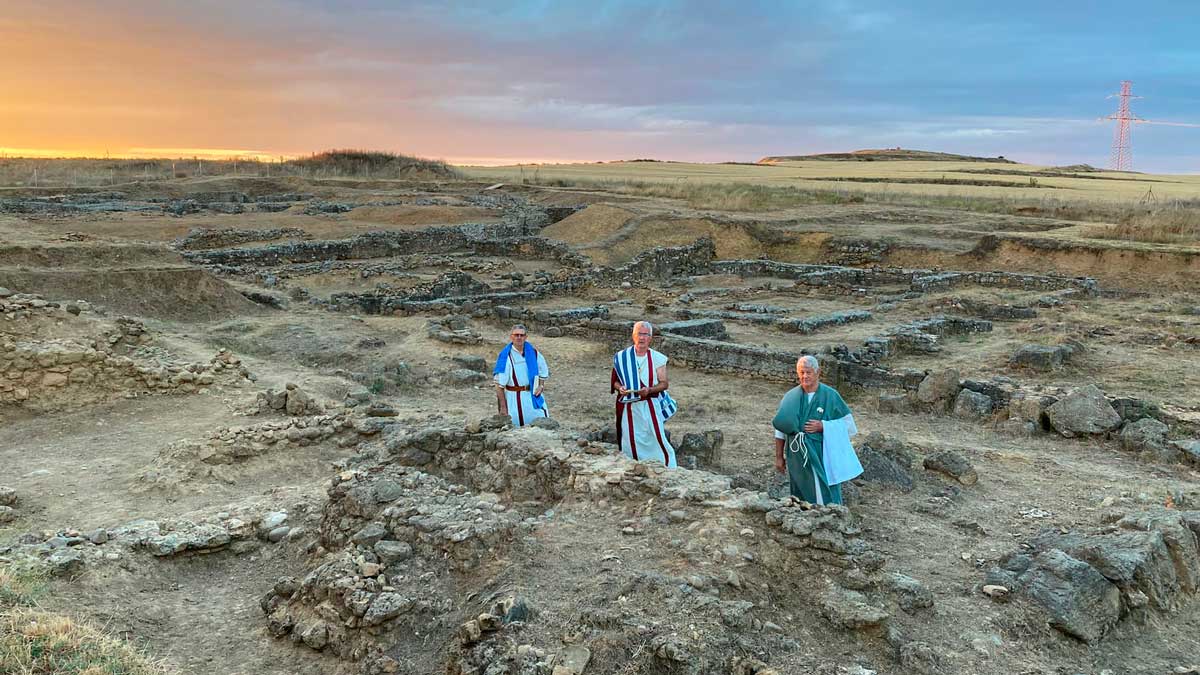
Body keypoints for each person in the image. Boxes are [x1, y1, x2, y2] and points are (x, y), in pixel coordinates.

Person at [771, 355, 862, 505]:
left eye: (808, 372)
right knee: (800, 492)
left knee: (824, 489)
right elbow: (780, 428)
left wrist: (823, 426)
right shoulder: (790, 397)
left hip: (822, 453)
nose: (804, 376)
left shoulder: (831, 396)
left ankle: (829, 516)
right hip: (796, 455)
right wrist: (779, 457)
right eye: (801, 372)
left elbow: (849, 426)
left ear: (818, 372)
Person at [611, 321, 677, 467]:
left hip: (650, 406)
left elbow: (664, 383)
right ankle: (633, 467)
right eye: (639, 334)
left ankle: (665, 467)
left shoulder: (657, 358)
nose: (642, 338)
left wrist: (649, 390)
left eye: (645, 334)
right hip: (629, 408)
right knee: (630, 439)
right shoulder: (622, 357)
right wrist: (620, 388)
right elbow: (614, 381)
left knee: (655, 437)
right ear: (633, 336)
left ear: (650, 338)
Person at [492, 324, 549, 427]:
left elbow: (542, 371)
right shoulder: (505, 357)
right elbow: (498, 385)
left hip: (533, 398)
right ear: (511, 337)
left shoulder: (533, 353)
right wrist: (503, 407)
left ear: (526, 337)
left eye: (521, 335)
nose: (519, 337)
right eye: (516, 335)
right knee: (517, 430)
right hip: (514, 400)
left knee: (541, 426)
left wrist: (541, 386)